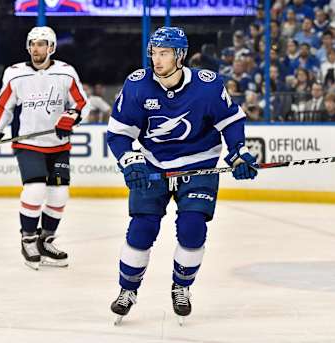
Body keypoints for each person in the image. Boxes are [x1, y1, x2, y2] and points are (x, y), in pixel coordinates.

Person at [106, 27, 258, 324]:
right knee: (141, 230)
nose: (156, 60)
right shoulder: (137, 86)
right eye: (154, 53)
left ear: (180, 55)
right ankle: (127, 290)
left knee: (192, 230)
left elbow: (231, 122)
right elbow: (119, 133)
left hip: (198, 164)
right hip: (153, 165)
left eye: (164, 53)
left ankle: (182, 287)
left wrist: (238, 152)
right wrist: (130, 160)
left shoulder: (208, 85)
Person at [0, 26, 87, 270]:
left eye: (41, 44)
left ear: (52, 47)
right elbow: (3, 106)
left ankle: (45, 240)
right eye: (33, 44)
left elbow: (81, 103)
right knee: (35, 190)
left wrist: (71, 116)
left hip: (59, 145)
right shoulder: (15, 74)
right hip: (29, 143)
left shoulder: (66, 73)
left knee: (59, 195)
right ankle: (28, 240)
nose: (36, 48)